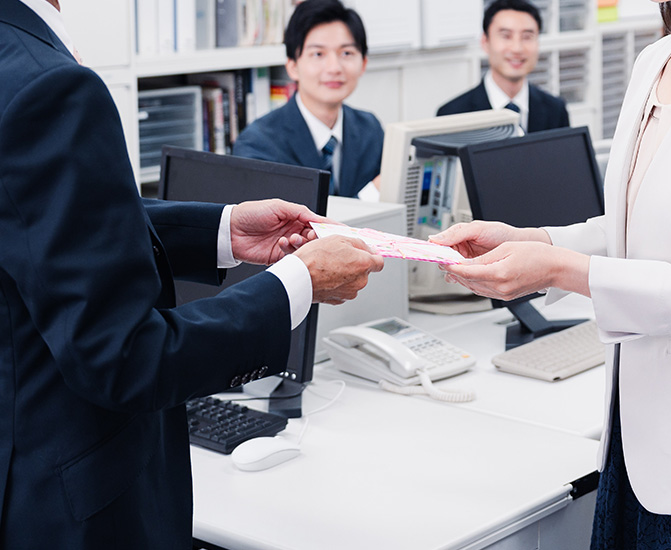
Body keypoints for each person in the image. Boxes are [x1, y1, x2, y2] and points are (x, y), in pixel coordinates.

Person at [0, 0, 385, 548]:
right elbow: (126, 358)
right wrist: (296, 284)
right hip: (68, 503)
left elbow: (43, 223)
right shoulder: (49, 84)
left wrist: (223, 231)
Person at [432, 0, 671, 547]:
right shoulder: (655, 60)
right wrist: (537, 242)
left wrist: (559, 269)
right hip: (635, 439)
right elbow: (638, 226)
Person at [234, 0, 383, 199]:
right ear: (292, 66)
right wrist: (372, 193)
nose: (334, 68)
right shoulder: (258, 143)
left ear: (363, 63)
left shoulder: (370, 129)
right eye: (318, 54)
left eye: (346, 53)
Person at [436, 0, 569, 133]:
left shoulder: (555, 110)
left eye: (527, 37)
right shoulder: (453, 115)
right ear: (485, 42)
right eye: (506, 36)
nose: (517, 48)